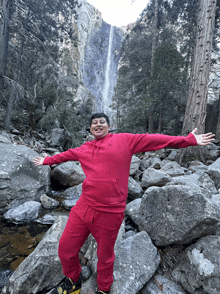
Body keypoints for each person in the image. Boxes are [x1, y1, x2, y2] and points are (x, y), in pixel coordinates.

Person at [33, 113, 215, 294]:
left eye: (102, 122)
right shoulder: (84, 149)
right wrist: (46, 160)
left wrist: (187, 140)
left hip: (110, 213)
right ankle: (74, 281)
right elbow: (65, 155)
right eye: (94, 123)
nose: (98, 125)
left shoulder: (125, 140)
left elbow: (153, 140)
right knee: (65, 249)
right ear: (90, 129)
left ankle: (103, 289)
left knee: (105, 257)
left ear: (109, 126)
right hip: (83, 208)